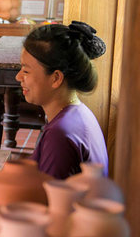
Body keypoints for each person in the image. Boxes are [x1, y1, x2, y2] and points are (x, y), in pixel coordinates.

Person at [16, 21, 109, 179]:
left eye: (26, 70)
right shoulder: (78, 113)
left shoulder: (60, 134)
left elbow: (51, 201)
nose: (18, 77)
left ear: (56, 78)